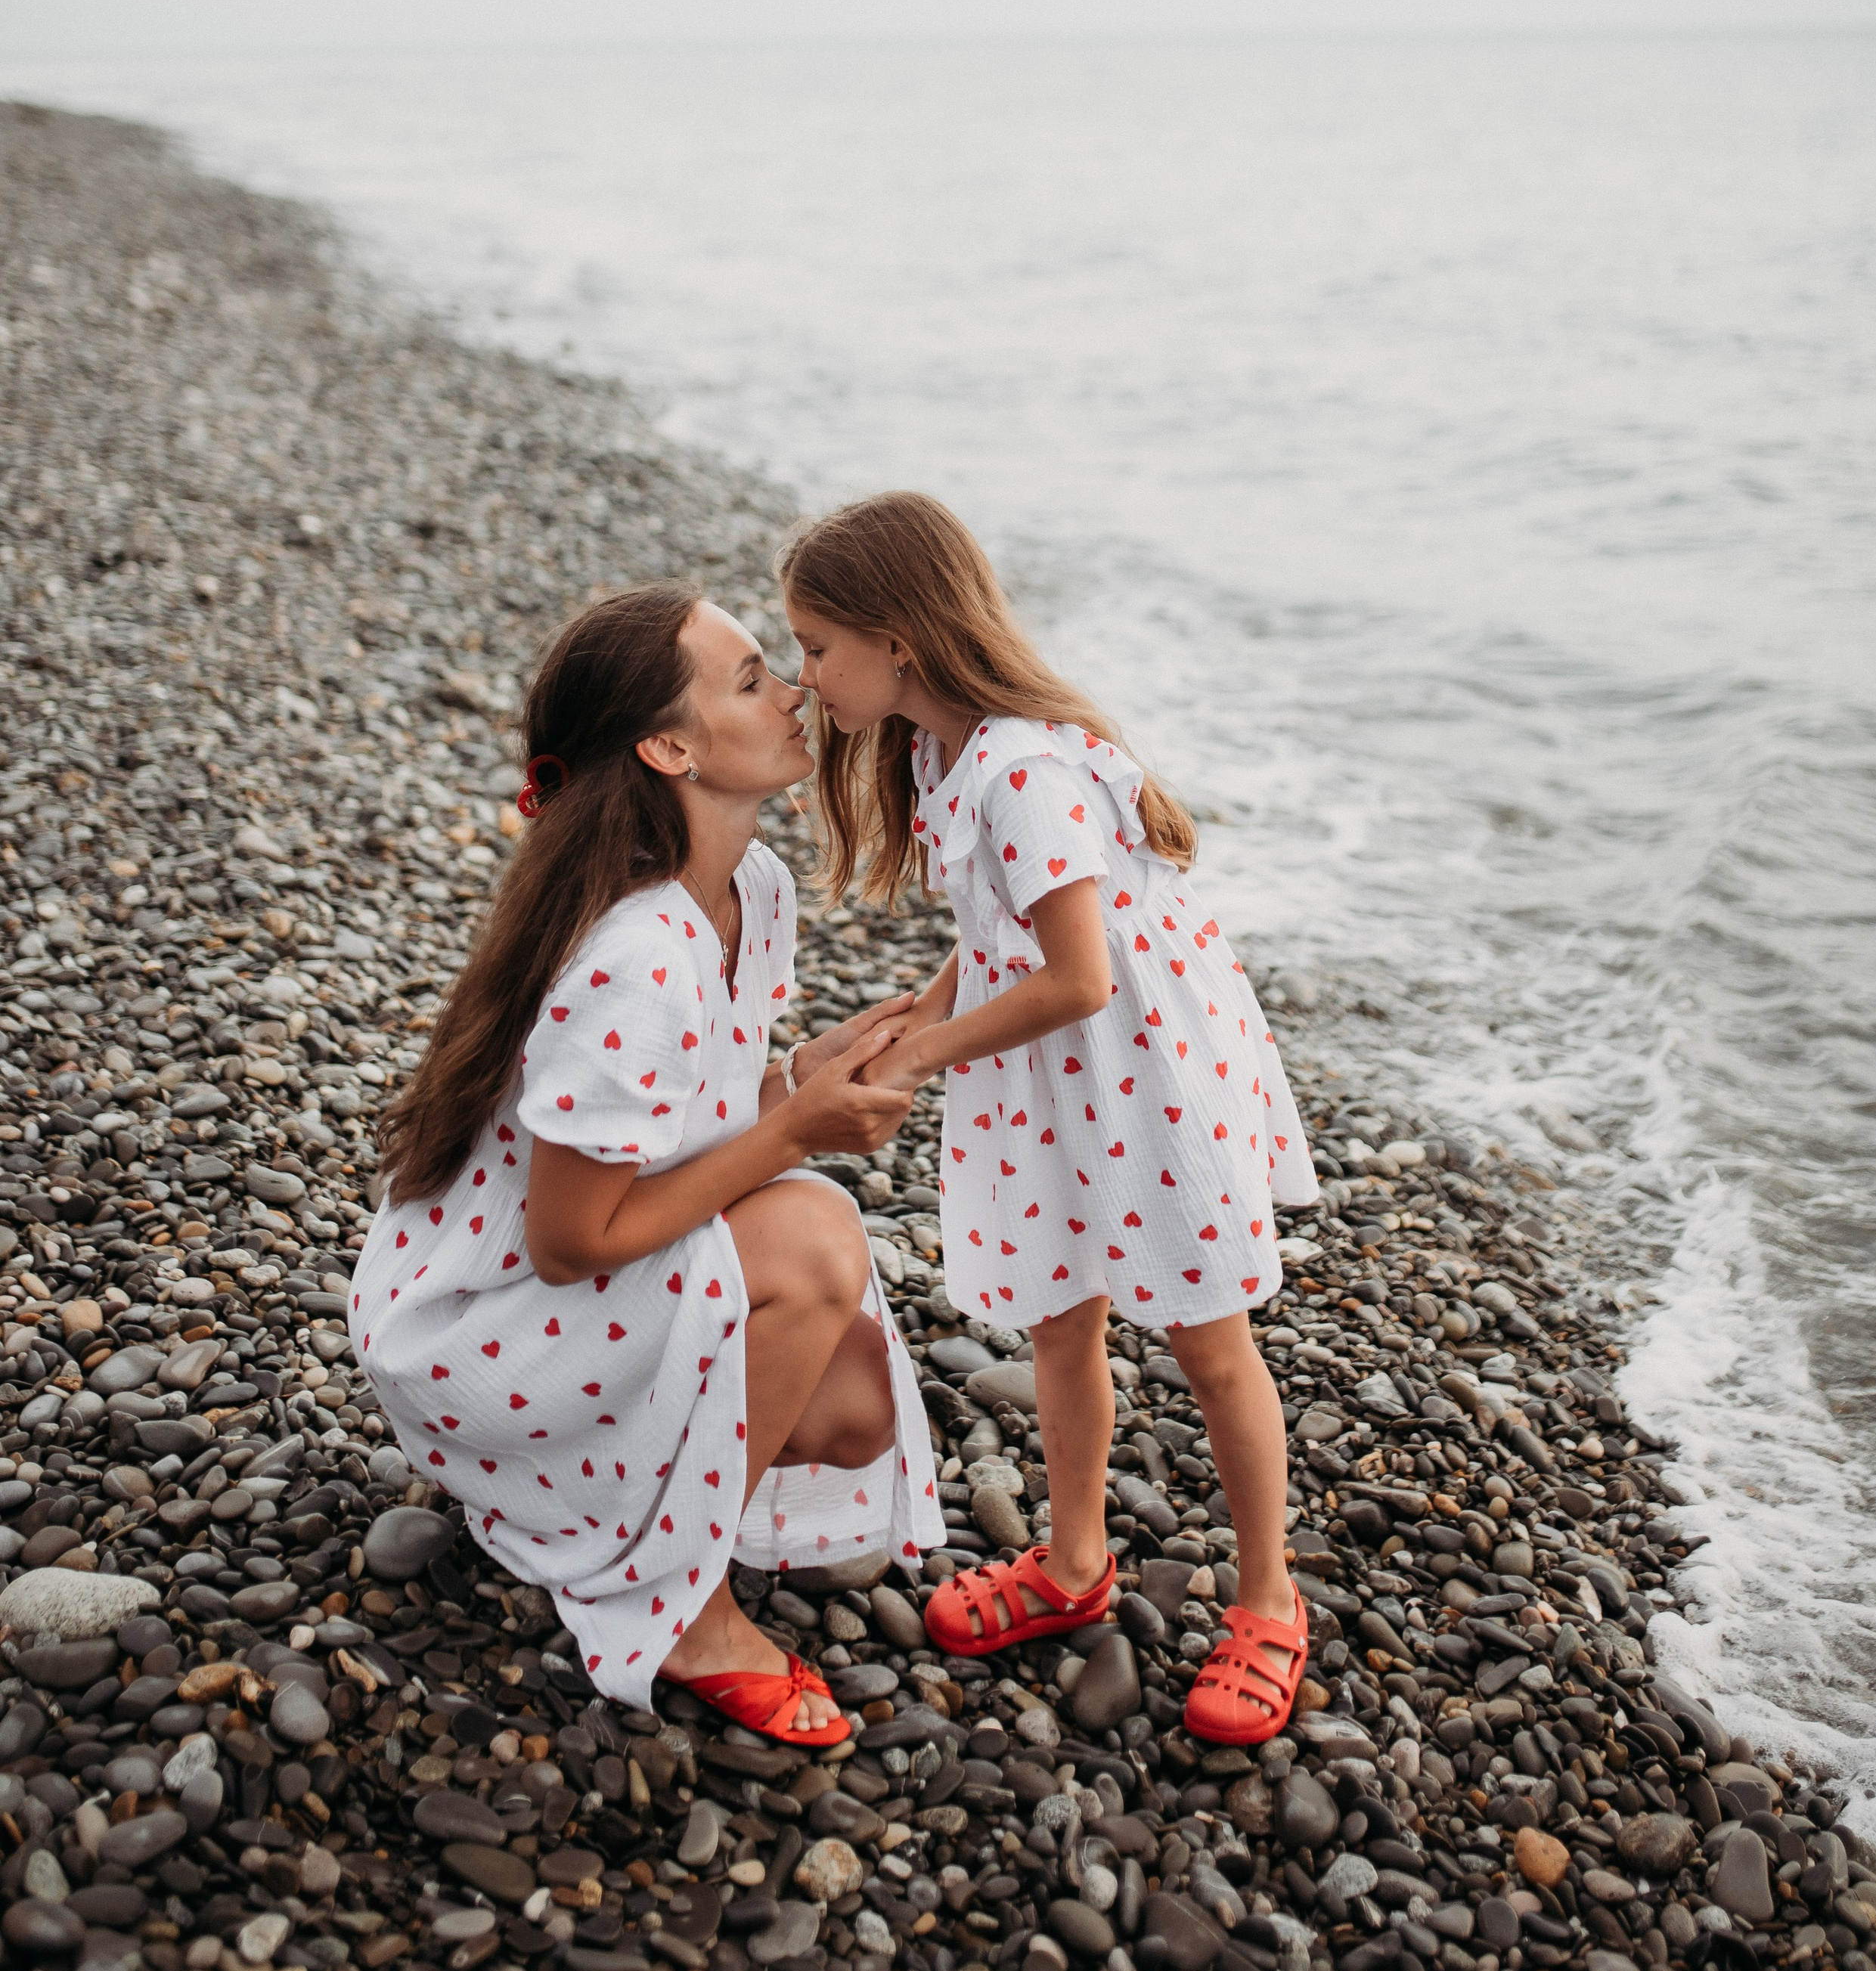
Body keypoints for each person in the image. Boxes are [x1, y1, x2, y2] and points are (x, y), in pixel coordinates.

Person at [352, 583, 941, 1741]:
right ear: (670, 747)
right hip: (479, 1322)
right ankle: (684, 1612)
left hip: (555, 1287)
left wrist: (803, 1075)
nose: (796, 690)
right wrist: (794, 1134)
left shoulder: (748, 893)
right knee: (818, 1232)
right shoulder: (636, 952)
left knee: (857, 1407)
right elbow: (570, 1245)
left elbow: (691, 1124)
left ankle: (566, 1502)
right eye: (753, 679)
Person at [779, 492, 1320, 1745]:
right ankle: (1076, 1561)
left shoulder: (1024, 771)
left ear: (898, 639)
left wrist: (921, 1057)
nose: (808, 679)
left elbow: (1079, 978)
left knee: (1207, 1340)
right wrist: (915, 1006)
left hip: (1143, 1081)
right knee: (1061, 1320)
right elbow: (999, 941)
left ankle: (1268, 1601)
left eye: (817, 647)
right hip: (1057, 1083)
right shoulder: (943, 752)